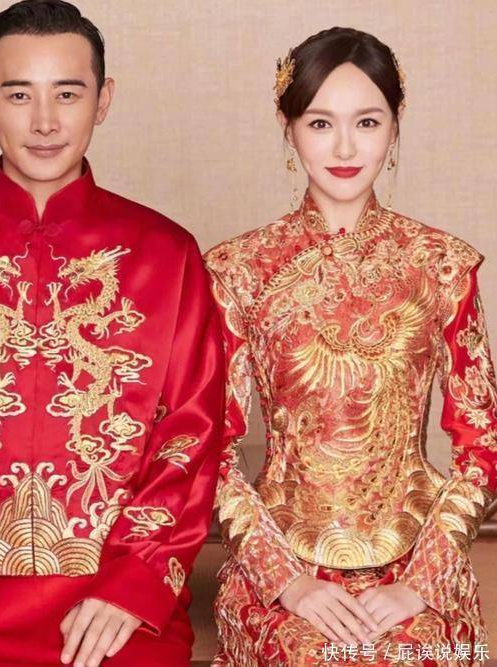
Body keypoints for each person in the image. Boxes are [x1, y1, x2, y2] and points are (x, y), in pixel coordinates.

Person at [0, 2, 224, 666]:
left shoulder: (167, 256)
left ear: (103, 100)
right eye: (19, 94)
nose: (45, 121)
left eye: (68, 93)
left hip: (112, 601)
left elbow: (192, 436)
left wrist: (133, 585)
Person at [205, 26, 497, 666]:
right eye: (320, 123)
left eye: (367, 122)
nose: (344, 147)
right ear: (287, 129)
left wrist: (422, 582)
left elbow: (483, 444)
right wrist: (284, 580)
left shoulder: (443, 265)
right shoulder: (239, 270)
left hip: (416, 562)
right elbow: (209, 446)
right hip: (285, 566)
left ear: (395, 126)